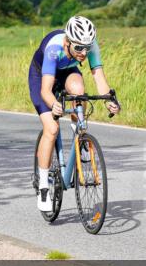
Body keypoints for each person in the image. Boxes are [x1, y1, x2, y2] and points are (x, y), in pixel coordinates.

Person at [28, 15, 120, 210]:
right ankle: (44, 186)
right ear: (67, 42)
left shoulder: (89, 46)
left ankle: (78, 129)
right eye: (78, 48)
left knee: (79, 91)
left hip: (67, 72)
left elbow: (99, 77)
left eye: (87, 48)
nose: (84, 53)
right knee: (51, 129)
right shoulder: (54, 49)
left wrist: (109, 100)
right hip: (42, 76)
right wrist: (54, 104)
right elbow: (45, 91)